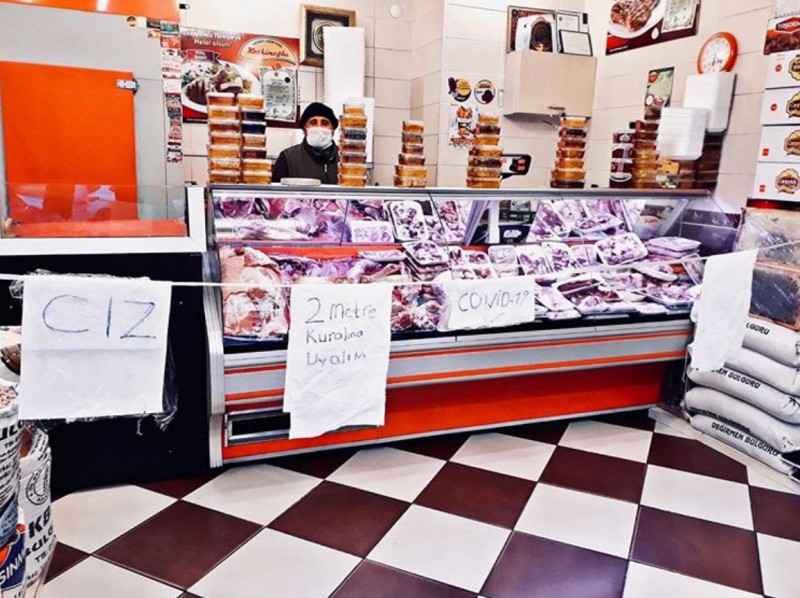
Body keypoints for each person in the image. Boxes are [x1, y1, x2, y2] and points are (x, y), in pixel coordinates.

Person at [272, 102, 339, 184]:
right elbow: (275, 190)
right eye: (313, 122)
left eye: (325, 123)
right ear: (304, 129)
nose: (319, 127)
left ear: (333, 130)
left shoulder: (346, 158)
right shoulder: (288, 158)